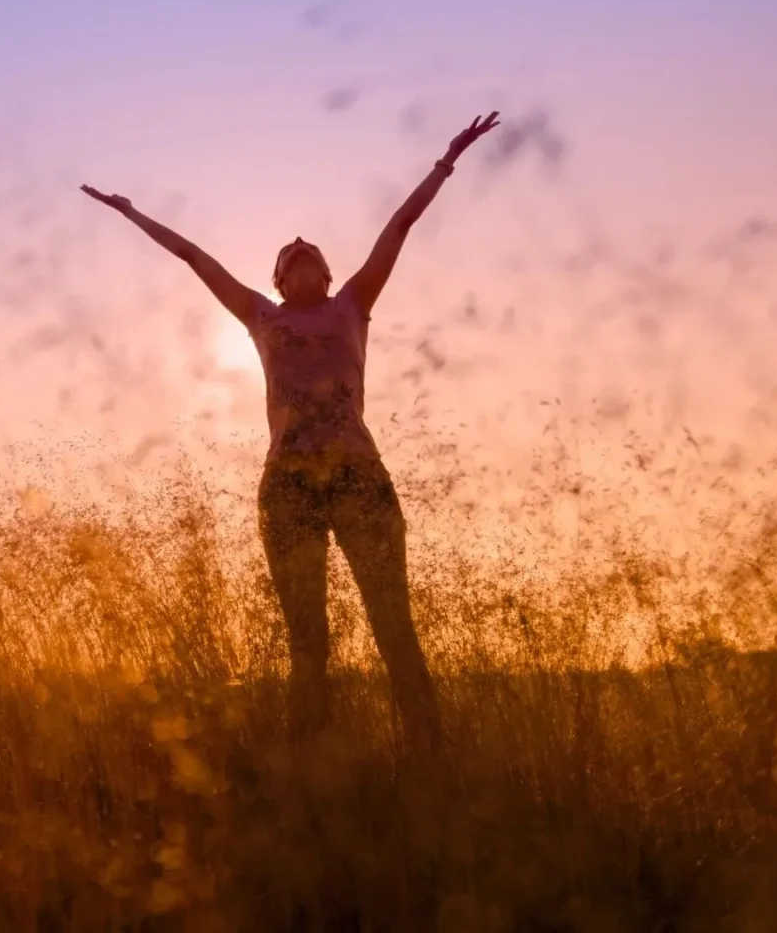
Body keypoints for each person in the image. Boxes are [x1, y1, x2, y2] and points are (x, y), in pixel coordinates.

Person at [82, 112, 500, 750]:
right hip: (289, 486)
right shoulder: (259, 316)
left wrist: (448, 158)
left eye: (311, 257)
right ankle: (313, 767)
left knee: (395, 629)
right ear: (278, 280)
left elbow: (400, 225)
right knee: (309, 643)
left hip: (359, 476)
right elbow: (194, 256)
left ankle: (431, 758)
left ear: (328, 275)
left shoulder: (353, 304)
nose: (301, 258)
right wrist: (129, 212)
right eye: (290, 259)